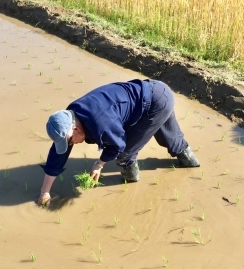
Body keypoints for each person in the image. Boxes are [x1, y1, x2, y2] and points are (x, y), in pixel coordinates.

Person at [37, 79, 199, 206]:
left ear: (76, 129)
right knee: (170, 138)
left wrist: (99, 164)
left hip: (156, 101)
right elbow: (58, 155)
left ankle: (130, 183)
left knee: (125, 154)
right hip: (157, 91)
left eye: (70, 141)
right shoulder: (68, 118)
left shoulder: (100, 123)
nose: (71, 144)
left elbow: (119, 144)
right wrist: (45, 192)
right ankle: (190, 163)